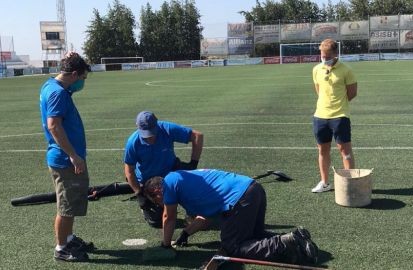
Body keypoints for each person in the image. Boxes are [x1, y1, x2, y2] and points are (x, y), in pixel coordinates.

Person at [143, 169, 319, 265]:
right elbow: (205, 217)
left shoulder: (169, 182)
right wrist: (186, 234)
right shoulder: (187, 184)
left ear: (157, 191)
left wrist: (165, 245)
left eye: (156, 200)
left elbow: (169, 216)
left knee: (233, 247)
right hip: (253, 189)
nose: (160, 204)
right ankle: (297, 239)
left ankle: (284, 243)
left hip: (239, 198)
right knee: (254, 234)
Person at [39, 51, 94, 262]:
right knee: (66, 206)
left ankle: (69, 238)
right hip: (64, 159)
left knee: (70, 203)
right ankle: (62, 248)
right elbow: (54, 125)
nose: (82, 83)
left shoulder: (51, 85)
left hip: (65, 157)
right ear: (73, 74)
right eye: (82, 78)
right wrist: (73, 155)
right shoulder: (58, 93)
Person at [123, 111, 203, 228]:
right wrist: (139, 194)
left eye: (152, 134)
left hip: (170, 172)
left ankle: (191, 211)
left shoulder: (167, 129)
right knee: (157, 222)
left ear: (157, 125)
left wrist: (193, 164)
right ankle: (153, 202)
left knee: (193, 187)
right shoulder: (133, 142)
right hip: (148, 182)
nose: (150, 139)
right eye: (146, 135)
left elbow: (197, 136)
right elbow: (129, 171)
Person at [311, 38, 358, 193]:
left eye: (327, 56)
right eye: (322, 56)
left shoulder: (346, 70)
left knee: (345, 151)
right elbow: (318, 90)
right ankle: (325, 183)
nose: (324, 59)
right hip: (320, 116)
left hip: (340, 116)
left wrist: (338, 105)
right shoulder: (317, 69)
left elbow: (352, 93)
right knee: (322, 150)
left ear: (335, 54)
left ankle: (349, 184)